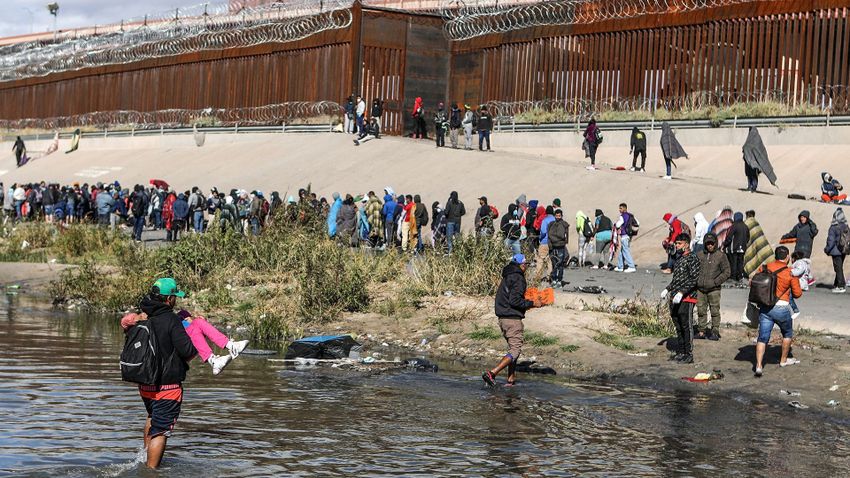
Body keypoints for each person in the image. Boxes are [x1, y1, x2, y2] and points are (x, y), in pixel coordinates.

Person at [136, 278, 198, 468]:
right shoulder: (171, 319)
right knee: (160, 430)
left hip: (146, 384)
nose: (175, 301)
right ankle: (151, 471)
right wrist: (194, 329)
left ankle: (145, 458)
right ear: (169, 298)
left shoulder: (144, 316)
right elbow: (188, 352)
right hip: (167, 387)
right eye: (175, 297)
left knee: (152, 416)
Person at [121, 310, 248, 375]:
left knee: (198, 322)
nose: (142, 314)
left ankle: (220, 355)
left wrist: (186, 316)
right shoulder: (147, 327)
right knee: (198, 323)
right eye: (138, 316)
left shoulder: (151, 323)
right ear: (136, 323)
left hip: (181, 341)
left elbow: (175, 319)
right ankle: (225, 351)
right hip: (177, 347)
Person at [482, 254, 541, 387]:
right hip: (512, 319)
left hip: (502, 318)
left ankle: (510, 379)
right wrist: (532, 303)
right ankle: (492, 373)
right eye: (526, 264)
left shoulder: (507, 275)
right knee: (515, 350)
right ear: (521, 265)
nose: (526, 267)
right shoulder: (518, 278)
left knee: (512, 349)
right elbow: (515, 301)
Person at [753, 246, 802, 377]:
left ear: (775, 256)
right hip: (781, 308)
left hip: (765, 308)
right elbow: (797, 294)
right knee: (787, 334)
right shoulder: (790, 272)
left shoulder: (764, 268)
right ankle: (783, 360)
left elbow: (753, 282)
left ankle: (758, 366)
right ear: (787, 257)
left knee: (762, 338)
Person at [660, 233, 701, 364]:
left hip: (687, 297)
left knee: (686, 325)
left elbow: (694, 279)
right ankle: (681, 351)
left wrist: (682, 292)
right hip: (675, 297)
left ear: (686, 244)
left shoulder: (692, 258)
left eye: (679, 243)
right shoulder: (679, 259)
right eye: (676, 243)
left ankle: (689, 354)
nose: (677, 246)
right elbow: (676, 279)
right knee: (677, 324)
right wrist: (668, 289)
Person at [695, 233, 730, 341]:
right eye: (708, 243)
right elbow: (694, 269)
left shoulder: (721, 256)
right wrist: (696, 281)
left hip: (714, 289)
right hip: (700, 289)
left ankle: (715, 331)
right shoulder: (699, 254)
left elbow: (727, 272)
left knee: (714, 311)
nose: (710, 245)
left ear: (715, 243)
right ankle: (702, 331)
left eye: (712, 243)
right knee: (701, 310)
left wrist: (715, 282)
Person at [742, 127, 777, 192]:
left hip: (754, 161)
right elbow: (746, 146)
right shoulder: (749, 138)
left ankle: (754, 187)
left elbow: (760, 150)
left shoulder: (757, 139)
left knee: (753, 174)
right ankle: (749, 186)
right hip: (748, 160)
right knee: (748, 173)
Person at [824, 207, 848, 294]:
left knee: (838, 268)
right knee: (839, 267)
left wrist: (826, 250)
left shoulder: (833, 227)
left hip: (835, 251)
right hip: (844, 250)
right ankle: (837, 284)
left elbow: (831, 241)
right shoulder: (846, 226)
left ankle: (841, 286)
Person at [743, 210, 773, 279]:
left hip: (750, 245)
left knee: (751, 258)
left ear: (747, 216)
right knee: (759, 257)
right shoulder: (756, 222)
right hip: (759, 243)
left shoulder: (745, 223)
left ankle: (752, 273)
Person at [723, 211, 749, 283]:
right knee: (740, 263)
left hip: (734, 248)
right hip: (742, 249)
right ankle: (740, 277)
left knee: (733, 263)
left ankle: (733, 278)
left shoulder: (734, 226)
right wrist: (743, 244)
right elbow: (748, 238)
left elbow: (729, 237)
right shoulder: (745, 226)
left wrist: (725, 244)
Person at [547, 209, 569, 288]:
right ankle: (554, 280)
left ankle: (559, 280)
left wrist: (556, 239)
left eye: (559, 216)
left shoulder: (564, 224)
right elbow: (549, 236)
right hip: (553, 247)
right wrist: (550, 245)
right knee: (554, 263)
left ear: (561, 216)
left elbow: (564, 237)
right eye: (556, 215)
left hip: (561, 247)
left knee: (560, 264)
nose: (558, 217)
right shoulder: (551, 224)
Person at [534, 206, 555, 282]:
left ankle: (537, 277)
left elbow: (543, 231)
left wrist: (540, 238)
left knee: (540, 259)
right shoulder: (555, 219)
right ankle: (549, 275)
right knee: (549, 260)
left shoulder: (545, 220)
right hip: (553, 242)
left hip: (544, 242)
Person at [789, 250, 812, 320]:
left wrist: (789, 272)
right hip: (799, 283)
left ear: (794, 258)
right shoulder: (802, 263)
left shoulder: (800, 263)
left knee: (788, 295)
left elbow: (797, 271)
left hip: (799, 283)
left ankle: (795, 310)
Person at [614, 203, 637, 273]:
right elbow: (637, 223)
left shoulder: (622, 216)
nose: (619, 210)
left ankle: (631, 266)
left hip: (624, 235)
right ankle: (620, 266)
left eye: (620, 208)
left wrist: (616, 224)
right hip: (629, 235)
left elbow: (618, 224)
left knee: (625, 251)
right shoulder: (630, 215)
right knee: (622, 251)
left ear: (624, 208)